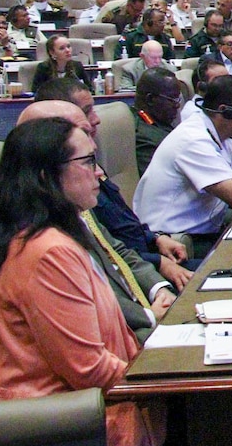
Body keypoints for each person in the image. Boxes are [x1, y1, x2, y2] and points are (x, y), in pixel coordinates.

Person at [0, 117, 169, 446]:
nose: (100, 172)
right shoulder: (48, 252)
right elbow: (88, 370)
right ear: (45, 177)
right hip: (57, 429)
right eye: (87, 162)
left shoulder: (44, 233)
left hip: (66, 411)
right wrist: (164, 379)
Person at [26, 83, 196, 293]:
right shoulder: (51, 226)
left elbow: (116, 241)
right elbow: (105, 268)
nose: (96, 119)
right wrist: (149, 313)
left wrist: (155, 239)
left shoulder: (84, 175)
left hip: (143, 270)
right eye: (87, 111)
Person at [133, 75, 232, 256]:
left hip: (206, 229)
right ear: (226, 111)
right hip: (176, 242)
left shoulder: (224, 137)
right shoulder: (193, 140)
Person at [132, 66, 181, 175]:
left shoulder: (158, 122)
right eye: (172, 99)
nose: (177, 105)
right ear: (150, 99)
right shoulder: (144, 138)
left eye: (178, 99)